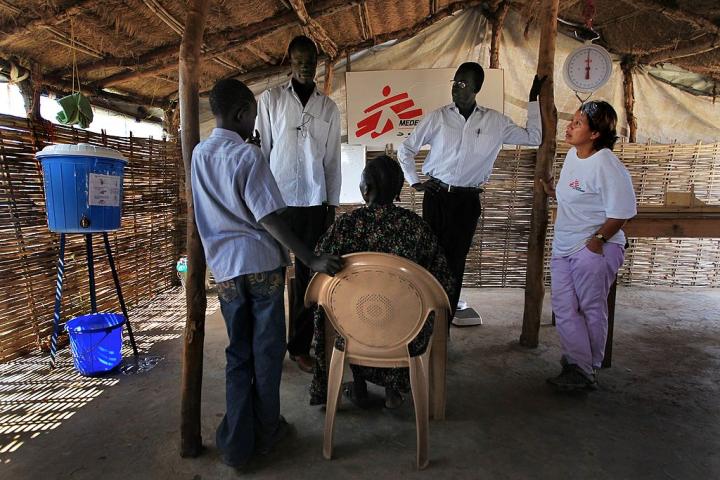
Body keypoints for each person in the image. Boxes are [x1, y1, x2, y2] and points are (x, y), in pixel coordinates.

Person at [191, 78, 343, 468]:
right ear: (242, 112)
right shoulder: (247, 156)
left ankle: (238, 443)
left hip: (224, 271)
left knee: (238, 354)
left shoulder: (199, 154)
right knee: (267, 352)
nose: (254, 127)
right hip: (260, 267)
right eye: (253, 118)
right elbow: (270, 218)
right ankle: (268, 429)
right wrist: (311, 258)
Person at [398, 62, 544, 324]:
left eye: (463, 83)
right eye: (454, 82)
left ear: (477, 88)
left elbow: (534, 138)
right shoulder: (438, 117)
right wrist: (415, 182)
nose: (456, 87)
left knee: (455, 263)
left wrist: (533, 101)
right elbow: (406, 149)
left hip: (467, 202)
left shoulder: (495, 122)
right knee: (429, 258)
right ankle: (423, 320)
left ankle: (445, 324)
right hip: (437, 197)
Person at [308, 155, 454, 409]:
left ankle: (358, 386)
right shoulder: (416, 228)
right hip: (405, 335)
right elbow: (444, 284)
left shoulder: (345, 226)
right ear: (398, 191)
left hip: (351, 331)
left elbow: (317, 276)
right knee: (397, 308)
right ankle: (393, 389)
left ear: (365, 189)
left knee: (341, 308)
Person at [255, 35, 342, 373]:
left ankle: (300, 347)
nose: (306, 66)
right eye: (299, 60)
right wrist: (259, 200)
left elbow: (332, 160)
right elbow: (262, 153)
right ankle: (270, 346)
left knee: (309, 277)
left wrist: (331, 204)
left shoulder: (328, 107)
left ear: (318, 63)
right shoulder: (271, 99)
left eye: (311, 61)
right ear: (290, 62)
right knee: (271, 276)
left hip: (314, 203)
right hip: (278, 204)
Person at [540, 100, 637, 392]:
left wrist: (597, 242)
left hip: (593, 248)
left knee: (591, 307)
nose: (569, 126)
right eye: (571, 121)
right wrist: (550, 190)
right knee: (565, 307)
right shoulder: (573, 156)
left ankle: (585, 369)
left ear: (595, 134)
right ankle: (578, 364)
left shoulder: (607, 163)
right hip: (564, 246)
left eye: (578, 123)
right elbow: (573, 193)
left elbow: (622, 211)